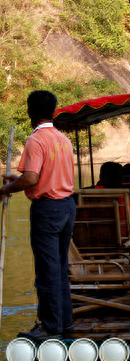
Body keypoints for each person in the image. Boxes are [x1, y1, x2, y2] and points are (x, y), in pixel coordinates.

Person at [1, 91, 76, 340]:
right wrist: (17, 180)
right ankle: (65, 323)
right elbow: (42, 176)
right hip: (66, 206)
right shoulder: (62, 139)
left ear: (30, 112)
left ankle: (50, 326)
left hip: (48, 209)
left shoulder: (36, 140)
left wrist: (6, 189)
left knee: (47, 271)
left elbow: (32, 178)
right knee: (60, 268)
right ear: (53, 111)